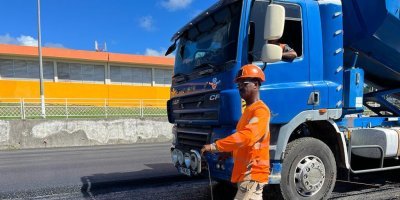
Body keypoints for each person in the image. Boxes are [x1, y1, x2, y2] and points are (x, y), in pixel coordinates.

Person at [201, 64, 271, 200]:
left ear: (256, 84)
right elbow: (246, 144)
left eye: (244, 83)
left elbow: (247, 137)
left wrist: (215, 146)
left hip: (253, 173)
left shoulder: (260, 110)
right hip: (246, 174)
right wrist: (229, 152)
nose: (240, 88)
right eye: (238, 85)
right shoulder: (248, 111)